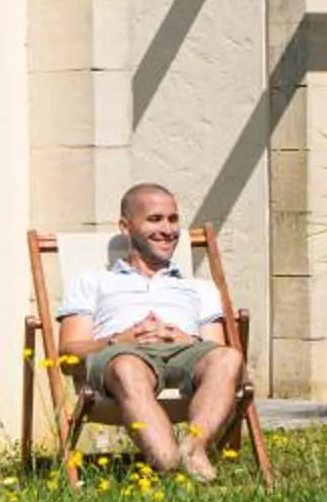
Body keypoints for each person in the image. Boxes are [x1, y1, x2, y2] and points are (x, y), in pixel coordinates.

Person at [56, 182, 246, 482]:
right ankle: (170, 468)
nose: (168, 229)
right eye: (155, 219)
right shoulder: (93, 281)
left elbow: (216, 350)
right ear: (126, 226)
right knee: (128, 367)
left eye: (173, 219)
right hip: (122, 354)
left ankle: (193, 449)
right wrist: (119, 340)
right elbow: (67, 353)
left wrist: (187, 338)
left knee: (229, 359)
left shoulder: (199, 287)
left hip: (185, 351)